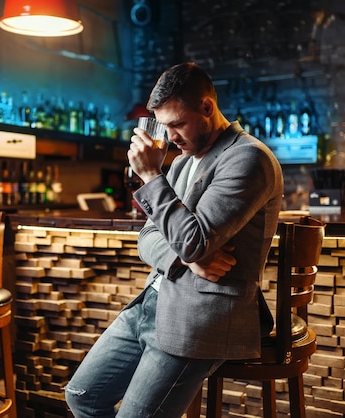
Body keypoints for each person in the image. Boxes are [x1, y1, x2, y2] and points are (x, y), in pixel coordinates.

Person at [65, 62, 284, 417]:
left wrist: (151, 174)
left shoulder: (248, 158)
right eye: (164, 126)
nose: (169, 137)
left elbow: (193, 241)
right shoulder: (182, 163)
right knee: (81, 396)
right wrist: (187, 257)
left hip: (198, 316)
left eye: (177, 124)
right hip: (150, 301)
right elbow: (148, 237)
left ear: (207, 108)